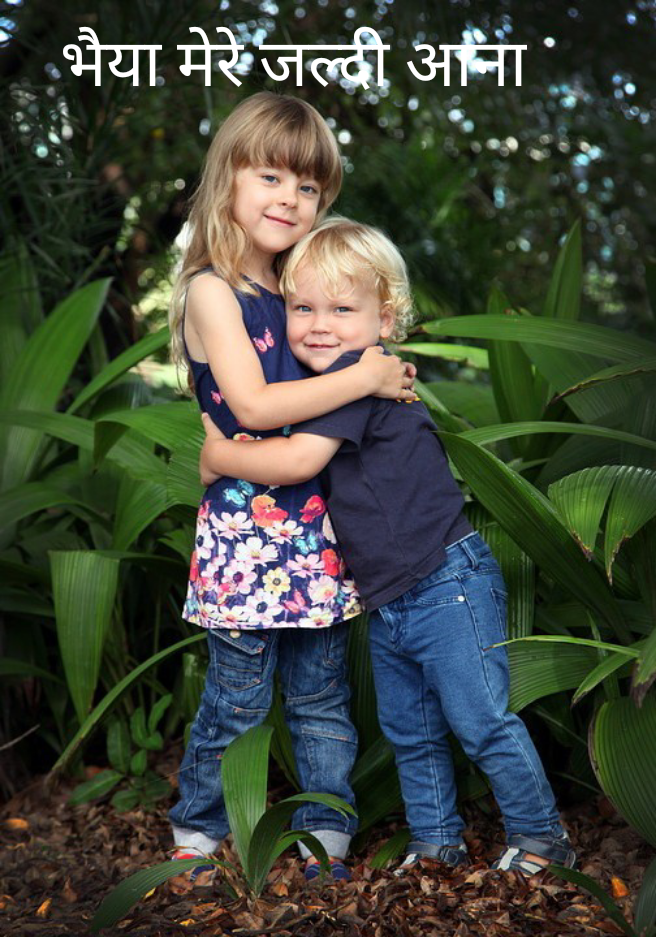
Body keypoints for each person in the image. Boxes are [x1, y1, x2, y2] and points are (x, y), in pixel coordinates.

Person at [198, 217, 577, 877]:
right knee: (411, 730)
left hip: (445, 581)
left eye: (343, 309)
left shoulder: (358, 375)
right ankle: (435, 842)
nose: (321, 325)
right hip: (391, 596)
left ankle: (543, 837)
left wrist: (216, 455)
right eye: (303, 308)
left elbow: (296, 462)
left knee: (481, 720)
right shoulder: (345, 381)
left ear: (386, 318)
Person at [168, 95, 416, 885]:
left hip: (316, 532)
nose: (290, 198)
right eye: (270, 177)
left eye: (308, 187)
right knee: (237, 699)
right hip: (245, 537)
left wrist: (375, 364)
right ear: (228, 180)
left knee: (319, 696)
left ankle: (324, 836)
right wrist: (365, 376)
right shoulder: (213, 290)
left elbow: (347, 349)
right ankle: (197, 831)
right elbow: (252, 407)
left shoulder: (296, 286)